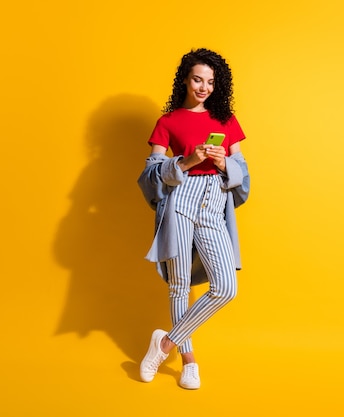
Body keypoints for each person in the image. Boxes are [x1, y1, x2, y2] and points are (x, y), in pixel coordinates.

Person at [137, 48, 250, 390]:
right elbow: (150, 174)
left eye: (210, 82)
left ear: (218, 85)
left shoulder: (227, 120)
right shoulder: (168, 122)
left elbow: (242, 172)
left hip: (214, 202)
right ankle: (188, 362)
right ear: (185, 80)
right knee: (180, 284)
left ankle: (165, 343)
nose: (203, 87)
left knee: (226, 287)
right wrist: (185, 162)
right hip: (181, 199)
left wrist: (219, 163)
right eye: (197, 79)